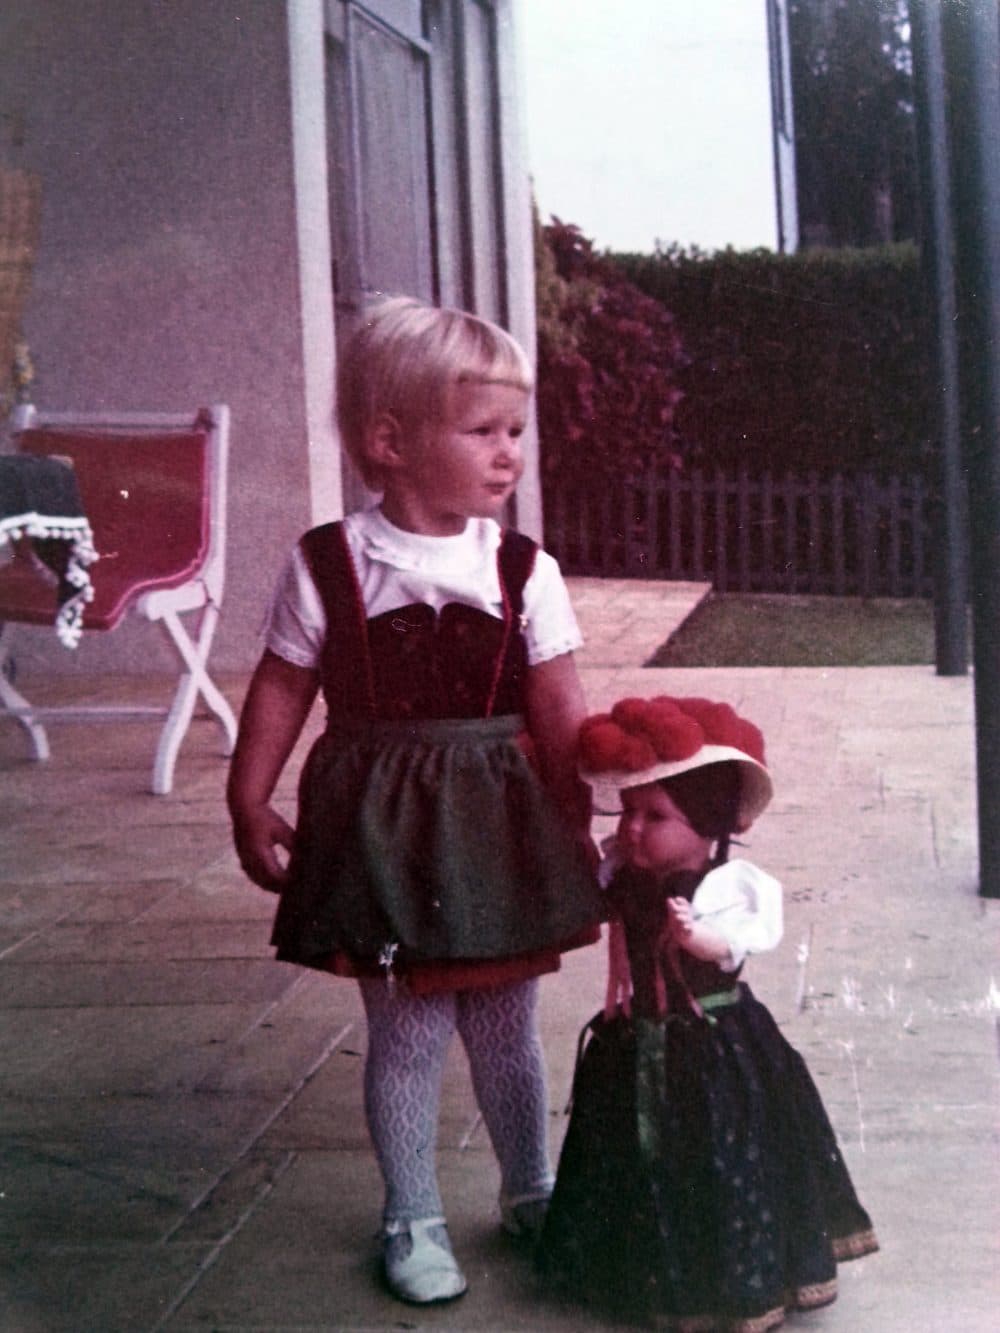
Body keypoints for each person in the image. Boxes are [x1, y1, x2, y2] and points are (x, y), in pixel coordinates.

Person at [226, 297, 602, 1306]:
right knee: (406, 1033)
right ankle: (412, 1212)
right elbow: (279, 686)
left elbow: (560, 705)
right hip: (384, 836)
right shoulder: (328, 565)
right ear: (388, 443)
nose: (507, 453)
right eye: (481, 431)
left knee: (506, 1024)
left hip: (499, 828)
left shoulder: (525, 570)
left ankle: (531, 1188)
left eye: (513, 431)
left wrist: (592, 806)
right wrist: (248, 794)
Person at [536, 694, 878, 1331]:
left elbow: (732, 950)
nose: (633, 828)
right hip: (636, 1037)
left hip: (712, 1041)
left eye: (655, 815)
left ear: (708, 824)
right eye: (629, 811)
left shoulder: (727, 889)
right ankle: (644, 1270)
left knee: (719, 1154)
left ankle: (731, 1275)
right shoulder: (626, 875)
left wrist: (699, 939)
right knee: (635, 1152)